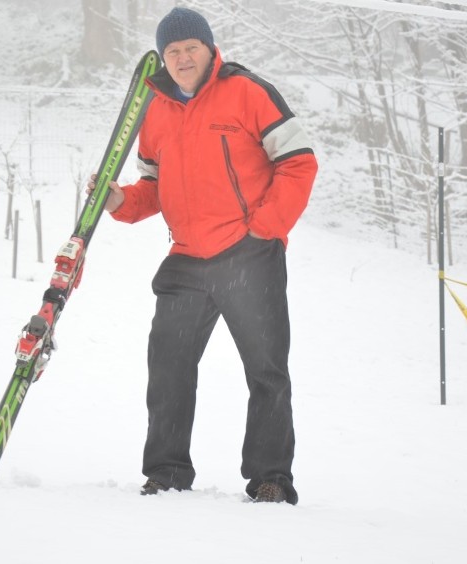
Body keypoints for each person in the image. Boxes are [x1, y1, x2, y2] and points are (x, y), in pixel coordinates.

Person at [89, 6, 317, 504]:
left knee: (266, 371)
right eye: (172, 51)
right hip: (187, 259)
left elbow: (299, 163)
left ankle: (270, 477)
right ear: (163, 59)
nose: (183, 57)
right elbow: (154, 186)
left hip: (247, 253)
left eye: (191, 47)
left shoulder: (248, 91)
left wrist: (264, 231)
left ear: (210, 48)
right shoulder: (155, 111)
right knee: (167, 365)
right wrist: (120, 202)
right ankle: (167, 470)